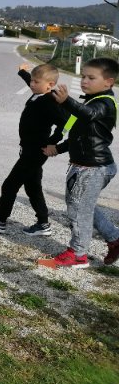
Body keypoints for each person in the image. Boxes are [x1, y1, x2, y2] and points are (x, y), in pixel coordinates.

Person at [38, 57, 119, 269]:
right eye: (83, 76)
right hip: (87, 165)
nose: (84, 81)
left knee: (78, 209)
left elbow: (89, 115)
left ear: (109, 82)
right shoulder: (89, 102)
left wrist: (67, 101)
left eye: (91, 78)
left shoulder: (104, 104)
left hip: (93, 168)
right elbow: (76, 134)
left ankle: (78, 254)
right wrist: (57, 148)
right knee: (82, 205)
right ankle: (114, 238)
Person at [0, 63, 67, 236]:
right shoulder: (39, 93)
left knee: (9, 185)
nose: (32, 84)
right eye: (31, 80)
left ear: (50, 85)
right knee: (33, 187)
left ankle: (0, 221)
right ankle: (43, 224)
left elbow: (68, 121)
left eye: (36, 82)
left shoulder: (49, 101)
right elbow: (33, 82)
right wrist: (22, 72)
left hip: (36, 152)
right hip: (29, 150)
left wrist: (54, 142)